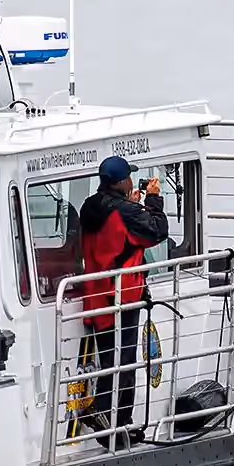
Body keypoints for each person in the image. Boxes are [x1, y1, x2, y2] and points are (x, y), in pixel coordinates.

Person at [76, 157, 167, 445]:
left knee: (111, 357)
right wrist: (153, 200)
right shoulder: (126, 212)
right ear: (120, 182)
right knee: (123, 361)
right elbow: (158, 231)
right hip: (122, 295)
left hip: (96, 293)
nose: (131, 180)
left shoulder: (90, 207)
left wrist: (132, 205)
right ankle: (111, 420)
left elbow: (117, 227)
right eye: (128, 176)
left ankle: (112, 421)